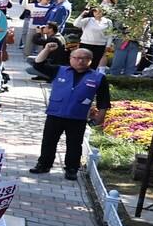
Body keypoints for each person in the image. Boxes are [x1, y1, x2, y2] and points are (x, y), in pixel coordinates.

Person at [29, 43, 110, 180]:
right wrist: (47, 49)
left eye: (84, 58)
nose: (80, 61)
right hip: (55, 113)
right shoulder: (59, 70)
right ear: (71, 58)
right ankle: (43, 164)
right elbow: (38, 65)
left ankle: (72, 169)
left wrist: (101, 117)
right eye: (76, 57)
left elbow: (104, 100)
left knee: (74, 144)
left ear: (90, 60)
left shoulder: (98, 78)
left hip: (77, 116)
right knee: (49, 141)